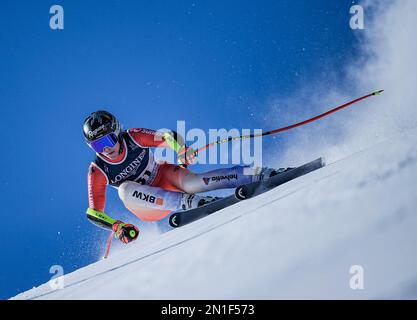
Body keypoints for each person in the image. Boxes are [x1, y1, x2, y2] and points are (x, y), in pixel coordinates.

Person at [84, 110, 285, 244]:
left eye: (108, 140)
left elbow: (167, 136)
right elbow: (93, 212)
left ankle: (258, 173)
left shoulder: (134, 136)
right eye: (98, 146)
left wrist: (181, 150)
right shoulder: (98, 170)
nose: (106, 149)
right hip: (150, 205)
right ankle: (189, 203)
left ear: (117, 132)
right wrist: (117, 226)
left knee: (195, 182)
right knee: (124, 190)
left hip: (165, 178)